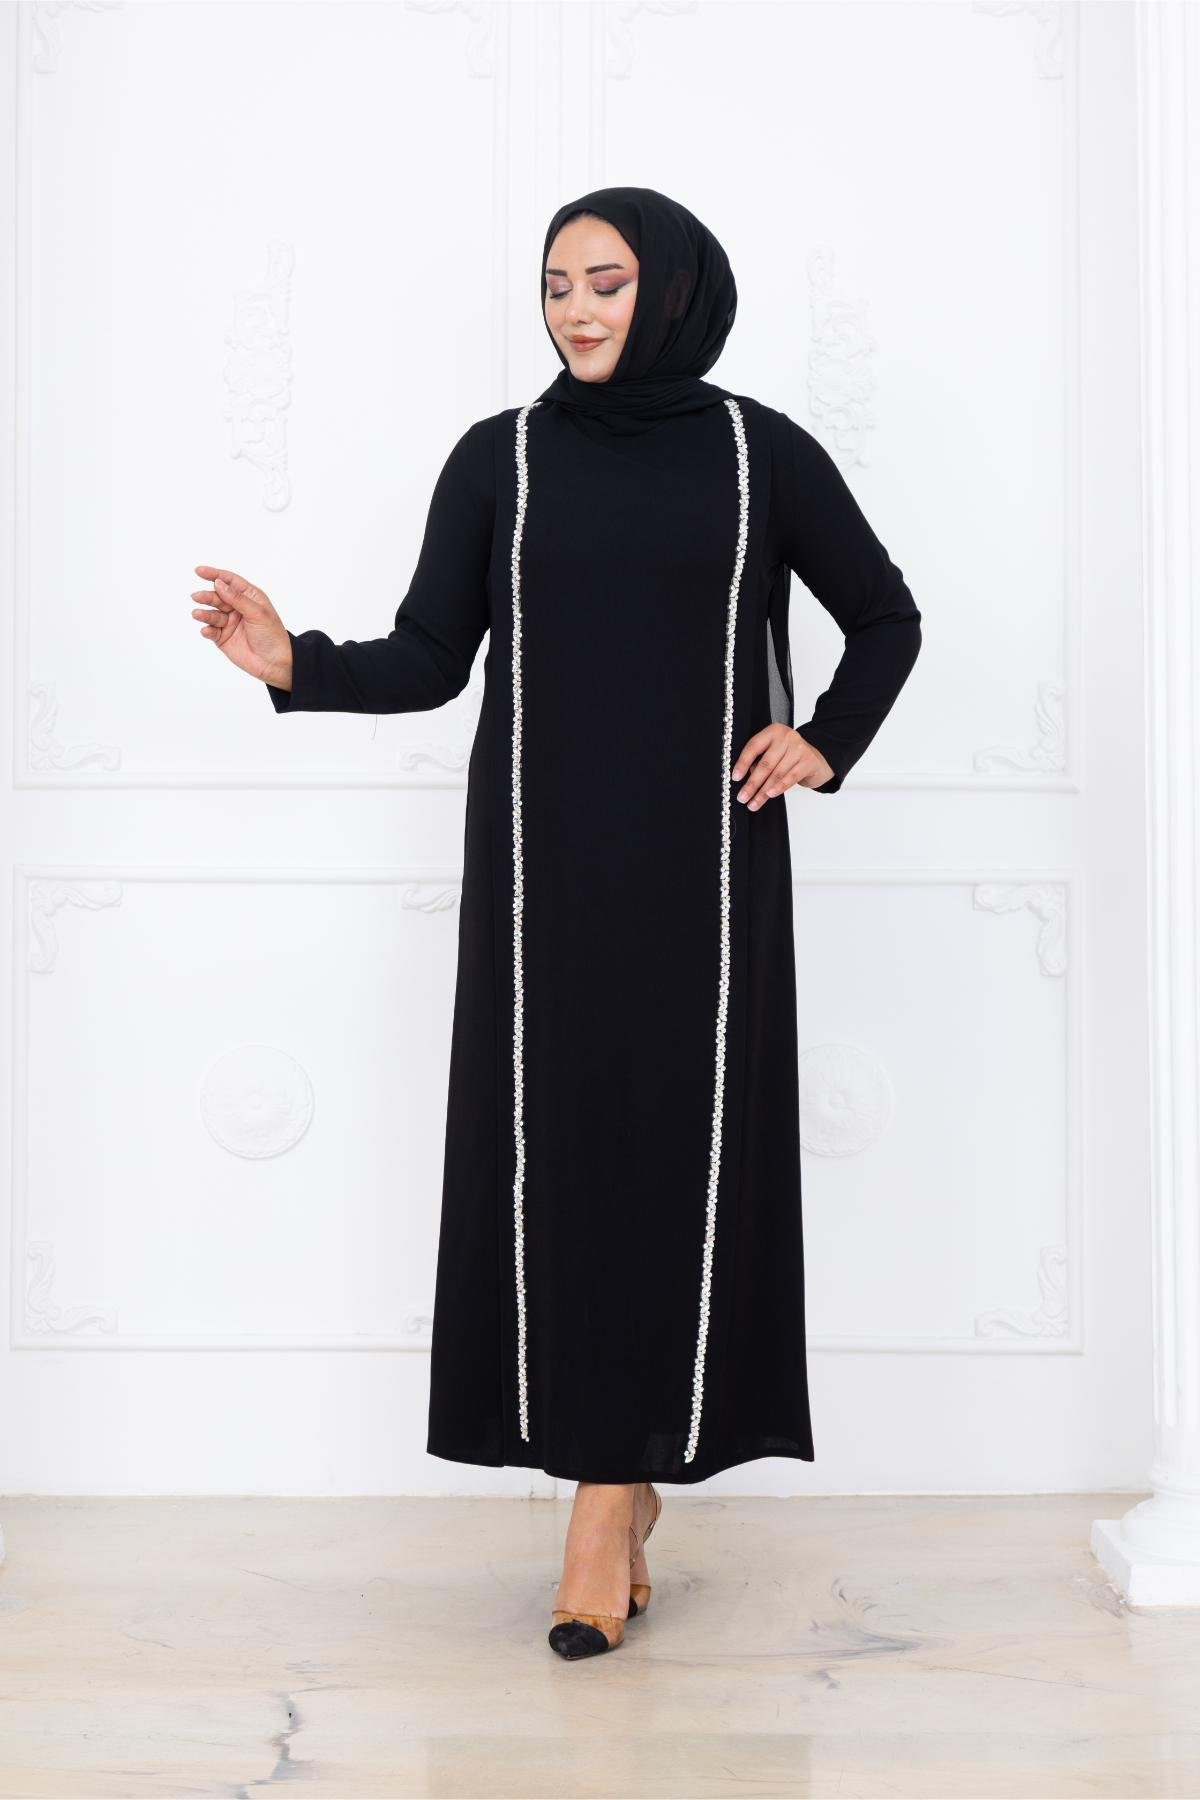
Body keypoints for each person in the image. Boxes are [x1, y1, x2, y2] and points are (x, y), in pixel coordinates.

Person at [190, 185, 922, 1661]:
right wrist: (294, 663)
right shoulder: (503, 459)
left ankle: (611, 1496)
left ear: (675, 292)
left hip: (709, 877)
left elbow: (887, 615)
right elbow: (428, 656)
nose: (576, 310)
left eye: (606, 281)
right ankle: (606, 1484)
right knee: (563, 1167)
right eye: (556, 285)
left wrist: (823, 740)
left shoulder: (758, 454)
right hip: (540, 878)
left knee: (679, 1161)